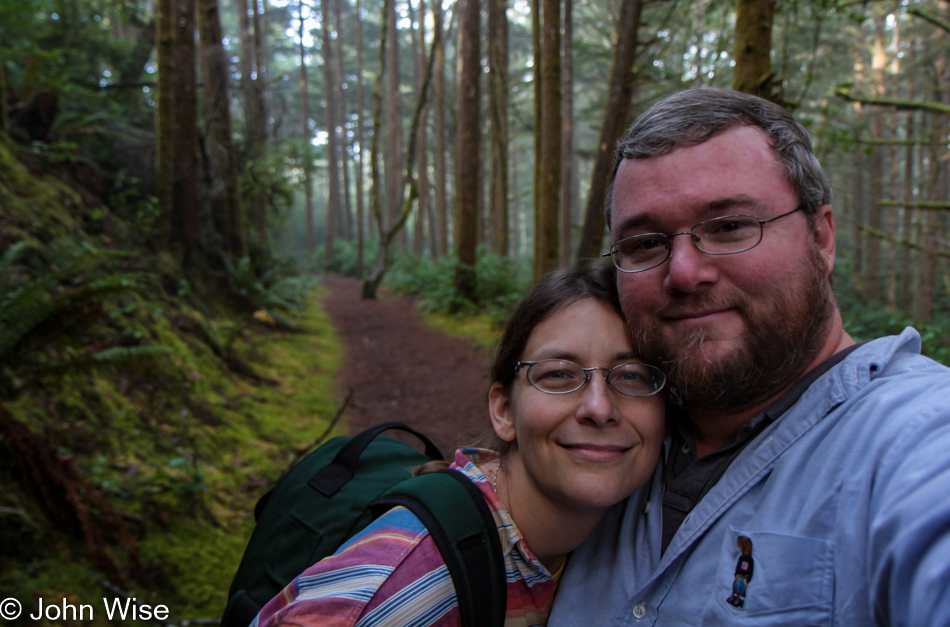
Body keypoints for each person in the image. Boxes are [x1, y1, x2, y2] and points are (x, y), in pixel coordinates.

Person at [548, 88, 950, 626]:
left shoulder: (914, 441)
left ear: (822, 237)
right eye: (644, 243)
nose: (685, 273)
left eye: (730, 226)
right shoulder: (605, 442)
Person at [252, 263, 667, 627]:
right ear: (504, 411)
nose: (599, 407)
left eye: (632, 376)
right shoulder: (407, 586)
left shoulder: (606, 538)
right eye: (558, 374)